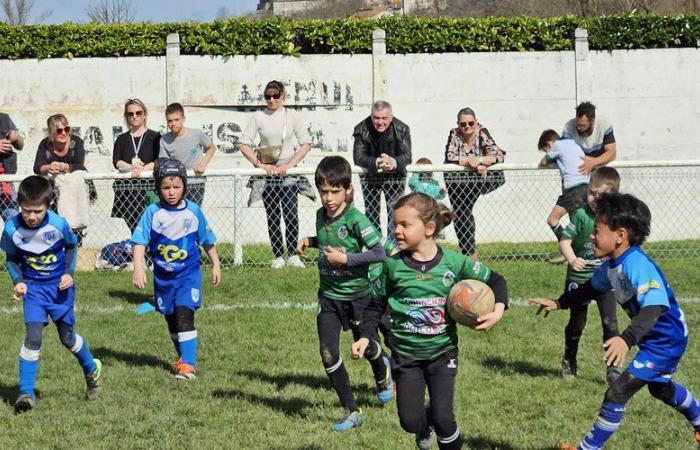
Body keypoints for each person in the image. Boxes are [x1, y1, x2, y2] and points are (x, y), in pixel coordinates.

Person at [530, 193, 700, 450]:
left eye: (597, 231)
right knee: (660, 389)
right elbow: (590, 290)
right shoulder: (611, 264)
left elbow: (655, 306)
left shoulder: (636, 264)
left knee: (616, 393)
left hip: (666, 340)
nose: (591, 236)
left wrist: (626, 339)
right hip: (653, 336)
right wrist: (559, 302)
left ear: (619, 235)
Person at [352, 192, 509, 450]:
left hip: (442, 353)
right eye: (395, 224)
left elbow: (496, 280)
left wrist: (498, 309)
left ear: (429, 228)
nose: (397, 230)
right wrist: (366, 337)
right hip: (406, 356)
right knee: (410, 421)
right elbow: (375, 305)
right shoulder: (392, 266)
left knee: (444, 418)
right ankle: (424, 422)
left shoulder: (453, 262)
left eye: (405, 225)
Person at [297, 156, 393, 432]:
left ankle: (382, 368)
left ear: (348, 189)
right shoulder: (319, 215)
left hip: (359, 297)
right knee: (327, 352)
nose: (328, 198)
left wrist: (347, 260)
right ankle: (352, 410)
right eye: (323, 191)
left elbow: (379, 252)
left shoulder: (355, 219)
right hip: (328, 297)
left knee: (365, 347)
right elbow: (330, 242)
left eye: (334, 191)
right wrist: (311, 241)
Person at [1, 176, 103, 413]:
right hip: (34, 291)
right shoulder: (11, 229)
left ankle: (91, 368)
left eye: (37, 211)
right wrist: (18, 281)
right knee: (33, 336)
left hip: (59, 290)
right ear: (19, 205)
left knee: (67, 338)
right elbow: (12, 258)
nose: (32, 216)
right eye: (27, 211)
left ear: (49, 205)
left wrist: (69, 272)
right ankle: (26, 393)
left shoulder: (58, 225)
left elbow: (70, 247)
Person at [131, 158, 221, 381]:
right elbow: (140, 241)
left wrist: (216, 263)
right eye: (166, 187)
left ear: (184, 186)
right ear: (158, 188)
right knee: (171, 320)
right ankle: (183, 357)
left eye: (176, 187)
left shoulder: (193, 212)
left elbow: (207, 240)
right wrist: (138, 268)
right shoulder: (152, 212)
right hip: (163, 278)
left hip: (187, 276)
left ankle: (188, 366)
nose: (171, 192)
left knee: (184, 316)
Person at [238, 80, 312, 269]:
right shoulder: (258, 117)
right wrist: (259, 165)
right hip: (267, 174)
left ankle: (294, 255)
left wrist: (290, 165)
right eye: (268, 96)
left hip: (288, 174)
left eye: (275, 95)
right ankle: (278, 255)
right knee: (272, 215)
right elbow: (243, 143)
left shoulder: (292, 116)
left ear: (283, 96)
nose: (271, 100)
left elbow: (306, 143)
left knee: (290, 214)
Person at [557, 167, 621, 382]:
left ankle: (612, 369)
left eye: (600, 195)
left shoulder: (615, 218)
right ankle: (569, 358)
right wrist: (572, 258)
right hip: (580, 278)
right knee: (577, 322)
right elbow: (564, 241)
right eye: (591, 192)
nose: (594, 198)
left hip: (605, 280)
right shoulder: (581, 215)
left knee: (610, 322)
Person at [444, 107, 505, 260]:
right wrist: (471, 163)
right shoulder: (454, 133)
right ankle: (468, 252)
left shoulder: (482, 132)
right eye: (463, 124)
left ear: (476, 122)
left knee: (463, 211)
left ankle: (469, 253)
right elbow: (450, 156)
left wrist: (479, 161)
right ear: (458, 124)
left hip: (475, 180)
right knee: (460, 212)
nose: (467, 127)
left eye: (471, 123)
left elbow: (498, 155)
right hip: (456, 181)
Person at [353, 100, 411, 239]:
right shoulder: (361, 128)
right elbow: (358, 157)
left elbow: (407, 156)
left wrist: (393, 162)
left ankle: (394, 248)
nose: (380, 122)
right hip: (371, 177)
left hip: (395, 177)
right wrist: (377, 162)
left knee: (395, 213)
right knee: (372, 214)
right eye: (376, 118)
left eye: (384, 118)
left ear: (391, 117)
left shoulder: (402, 128)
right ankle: (376, 248)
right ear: (371, 116)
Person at [537, 129, 590, 264]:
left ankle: (567, 251)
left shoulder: (557, 146)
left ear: (549, 144)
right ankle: (582, 253)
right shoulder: (573, 144)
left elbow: (543, 162)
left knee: (552, 219)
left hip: (573, 190)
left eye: (545, 150)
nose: (548, 152)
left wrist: (548, 158)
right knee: (577, 222)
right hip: (586, 187)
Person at [111, 98, 161, 233]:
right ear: (126, 116)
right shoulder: (121, 139)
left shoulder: (155, 137)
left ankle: (150, 252)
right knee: (135, 228)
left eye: (138, 113)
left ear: (144, 114)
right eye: (130, 114)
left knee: (152, 225)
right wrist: (133, 168)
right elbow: (117, 162)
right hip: (127, 191)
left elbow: (158, 160)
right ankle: (140, 252)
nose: (134, 116)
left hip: (149, 189)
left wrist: (142, 170)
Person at [159, 103, 216, 206]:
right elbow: (164, 162)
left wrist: (203, 164)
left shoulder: (196, 134)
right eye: (170, 121)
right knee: (176, 214)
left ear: (183, 119)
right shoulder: (164, 139)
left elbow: (211, 147)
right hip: (176, 184)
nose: (173, 124)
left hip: (195, 181)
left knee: (193, 213)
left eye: (176, 120)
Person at [562, 101, 616, 175]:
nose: (578, 128)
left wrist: (593, 162)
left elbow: (611, 153)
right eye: (577, 124)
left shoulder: (604, 124)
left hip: (601, 172)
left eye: (583, 125)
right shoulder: (568, 127)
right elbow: (566, 154)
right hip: (579, 171)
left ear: (592, 121)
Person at [0, 111, 24, 221]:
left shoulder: (4, 118)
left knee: (14, 221)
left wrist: (16, 137)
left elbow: (20, 145)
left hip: (5, 181)